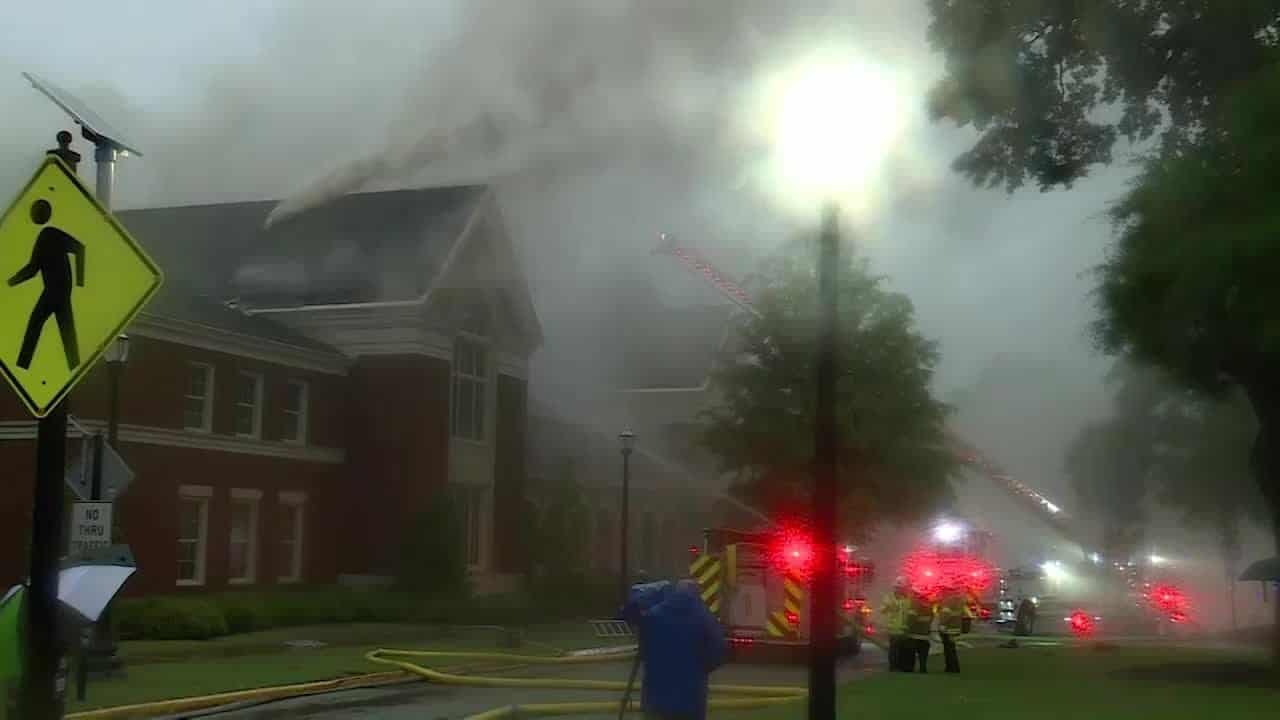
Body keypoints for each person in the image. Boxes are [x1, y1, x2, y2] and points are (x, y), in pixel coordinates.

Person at [630, 579, 725, 720]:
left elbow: (643, 648)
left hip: (656, 696)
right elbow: (717, 651)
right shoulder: (705, 618)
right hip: (691, 698)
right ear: (697, 594)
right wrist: (700, 668)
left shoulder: (653, 615)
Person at [878, 577, 911, 672]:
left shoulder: (908, 598)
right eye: (897, 588)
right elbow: (882, 610)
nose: (899, 590)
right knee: (894, 650)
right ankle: (893, 667)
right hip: (894, 629)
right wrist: (888, 607)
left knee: (903, 650)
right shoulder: (889, 598)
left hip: (905, 629)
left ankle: (902, 666)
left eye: (901, 588)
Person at [936, 589, 971, 673]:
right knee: (952, 649)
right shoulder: (959, 601)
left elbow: (945, 614)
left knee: (948, 650)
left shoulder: (948, 601)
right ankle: (954, 667)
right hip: (955, 628)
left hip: (947, 629)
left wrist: (941, 625)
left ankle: (951, 668)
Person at [904, 588, 934, 673]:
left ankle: (909, 668)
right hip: (925, 635)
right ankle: (923, 669)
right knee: (923, 655)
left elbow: (912, 617)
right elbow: (931, 617)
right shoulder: (928, 604)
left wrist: (907, 628)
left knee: (911, 653)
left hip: (914, 633)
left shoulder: (915, 603)